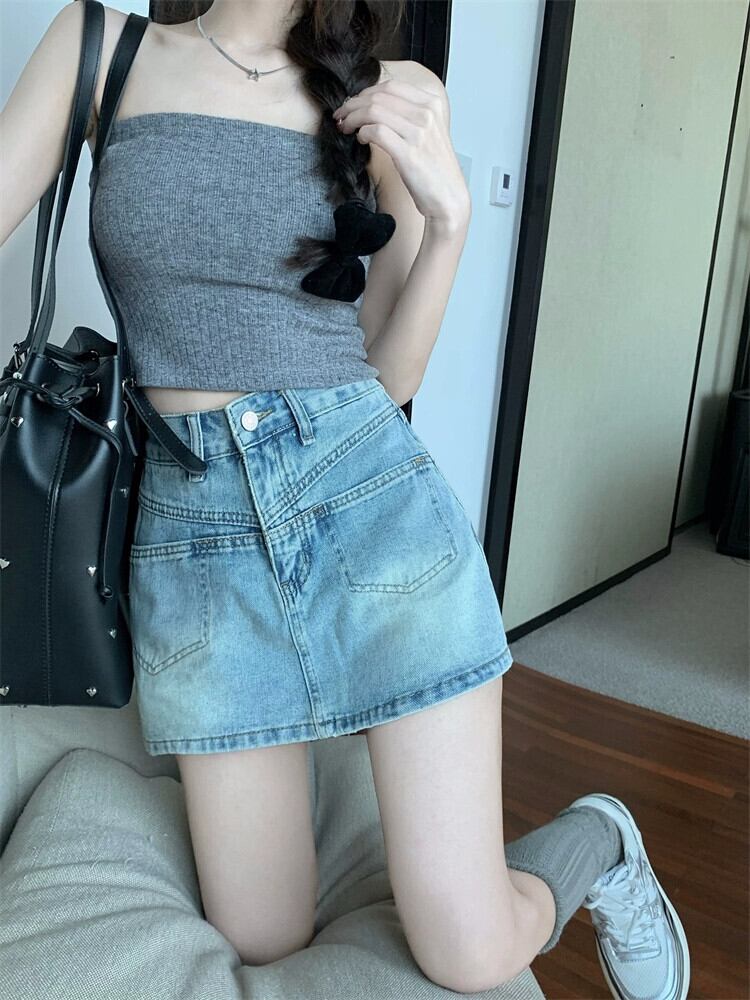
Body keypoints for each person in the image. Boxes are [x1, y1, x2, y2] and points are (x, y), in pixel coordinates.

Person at [0, 2, 690, 997]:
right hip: (194, 552)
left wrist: (448, 224)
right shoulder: (101, 48)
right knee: (265, 936)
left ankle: (601, 841)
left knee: (469, 951)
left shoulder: (388, 93)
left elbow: (391, 371)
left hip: (370, 510)